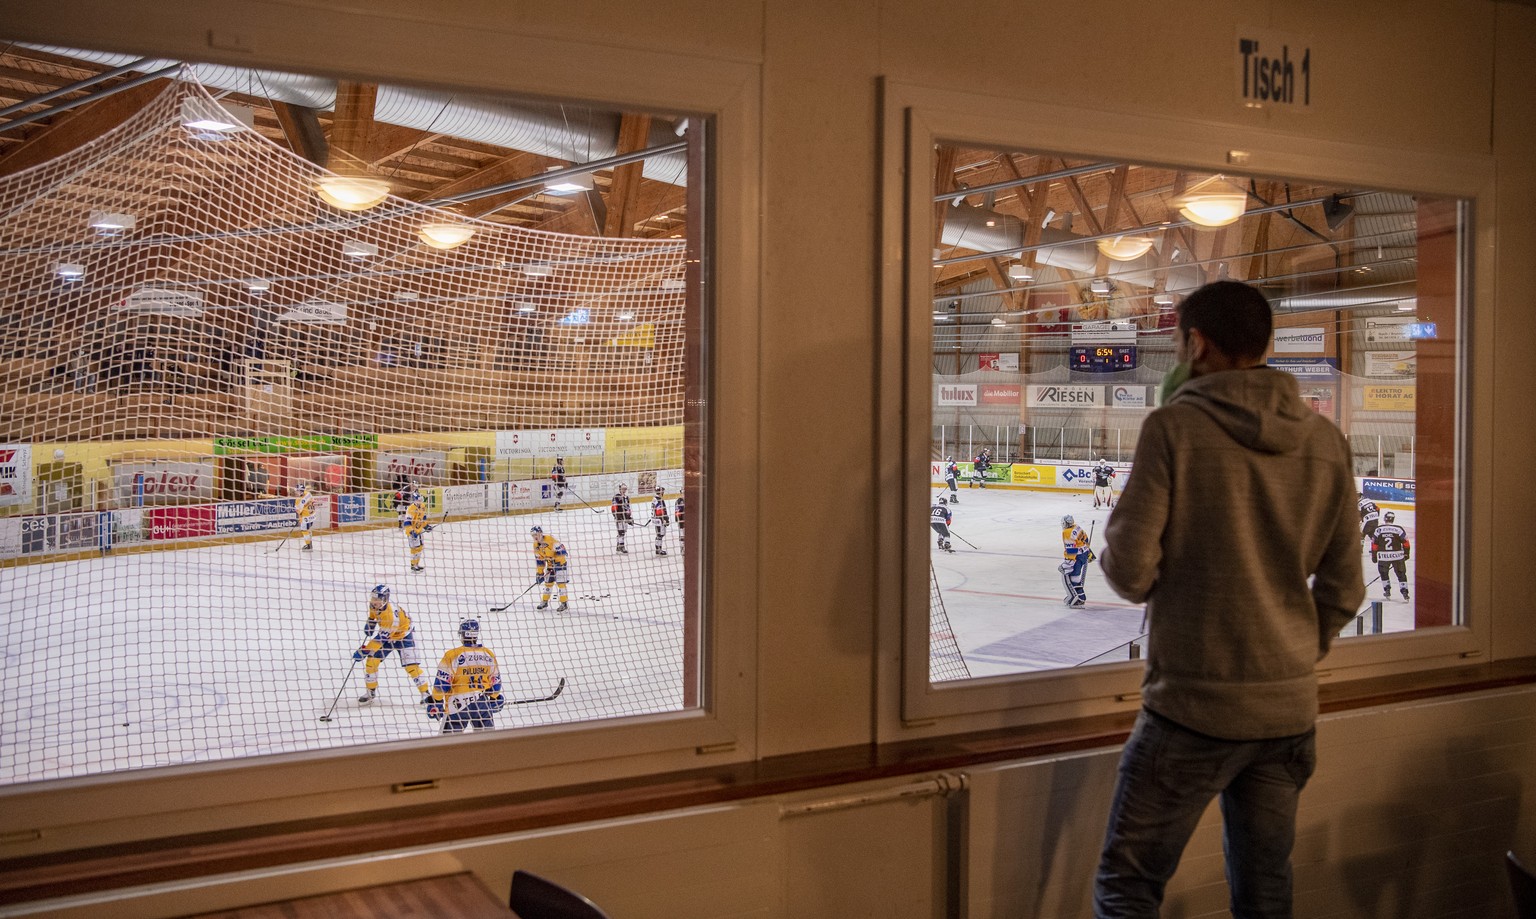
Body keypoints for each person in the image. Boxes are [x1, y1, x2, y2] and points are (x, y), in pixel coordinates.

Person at [1094, 280, 1364, 918]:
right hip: (1288, 712)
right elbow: (1346, 586)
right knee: (1265, 888)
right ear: (1266, 343)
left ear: (1197, 343)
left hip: (1193, 710)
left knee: (1128, 887)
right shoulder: (1327, 442)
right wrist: (1294, 647)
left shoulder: (1174, 428)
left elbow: (1130, 573)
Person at [353, 584, 432, 706]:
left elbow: (380, 639)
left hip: (404, 635)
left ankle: (425, 693)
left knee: (411, 666)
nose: (374, 602)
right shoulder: (374, 605)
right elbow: (373, 615)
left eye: (377, 599)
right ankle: (370, 692)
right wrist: (370, 622)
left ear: (385, 600)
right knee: (372, 661)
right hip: (388, 634)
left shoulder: (390, 616)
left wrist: (364, 651)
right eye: (373, 598)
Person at [426, 617, 503, 733]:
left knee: (448, 747)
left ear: (462, 635)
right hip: (482, 704)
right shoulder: (488, 654)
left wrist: (436, 702)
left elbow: (441, 684)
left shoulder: (453, 655)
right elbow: (496, 683)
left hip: (457, 705)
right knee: (488, 744)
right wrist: (494, 698)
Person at [1370, 511, 1411, 600]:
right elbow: (1406, 543)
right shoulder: (1399, 529)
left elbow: (1374, 544)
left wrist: (1374, 555)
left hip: (1383, 556)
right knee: (1401, 574)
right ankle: (1404, 591)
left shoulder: (1378, 530)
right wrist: (1407, 553)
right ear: (1393, 519)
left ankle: (1387, 590)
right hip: (1398, 556)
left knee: (1384, 573)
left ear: (1385, 519)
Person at [530, 525, 570, 612]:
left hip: (560, 565)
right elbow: (539, 560)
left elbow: (562, 551)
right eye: (533, 535)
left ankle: (564, 603)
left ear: (541, 533)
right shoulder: (535, 545)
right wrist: (539, 573)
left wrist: (557, 561)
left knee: (561, 584)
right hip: (550, 566)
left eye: (536, 534)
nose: (535, 537)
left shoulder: (550, 539)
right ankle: (544, 602)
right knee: (548, 583)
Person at [1059, 514, 1091, 608]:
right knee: (1075, 577)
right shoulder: (1077, 527)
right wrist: (1088, 551)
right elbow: (1086, 539)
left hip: (1077, 556)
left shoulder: (1067, 532)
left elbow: (1071, 549)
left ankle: (1080, 599)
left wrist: (1069, 563)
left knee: (1073, 578)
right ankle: (1075, 596)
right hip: (1083, 554)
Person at [404, 491, 432, 572]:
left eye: (420, 500)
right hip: (412, 533)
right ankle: (413, 565)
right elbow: (407, 522)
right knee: (414, 548)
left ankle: (417, 564)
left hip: (419, 531)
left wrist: (426, 526)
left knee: (420, 547)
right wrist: (411, 531)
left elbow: (423, 518)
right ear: (414, 500)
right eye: (418, 500)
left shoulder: (423, 506)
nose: (420, 502)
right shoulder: (410, 509)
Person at [611, 483, 633, 554]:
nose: (624, 490)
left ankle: (618, 547)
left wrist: (629, 517)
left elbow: (628, 508)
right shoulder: (616, 497)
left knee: (623, 532)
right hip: (619, 518)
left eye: (625, 489)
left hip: (625, 518)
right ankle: (621, 547)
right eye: (623, 489)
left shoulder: (626, 498)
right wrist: (617, 516)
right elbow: (614, 508)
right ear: (620, 489)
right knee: (621, 532)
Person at [293, 482, 316, 550]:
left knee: (304, 530)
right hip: (312, 515)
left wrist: (300, 519)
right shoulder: (308, 493)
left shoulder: (298, 500)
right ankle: (310, 543)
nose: (296, 492)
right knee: (308, 529)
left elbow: (298, 511)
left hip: (306, 517)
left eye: (297, 491)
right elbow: (312, 501)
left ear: (300, 491)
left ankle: (308, 545)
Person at [650, 486, 670, 556]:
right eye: (662, 491)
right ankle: (659, 549)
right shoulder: (658, 500)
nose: (663, 492)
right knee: (660, 534)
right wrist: (664, 519)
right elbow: (659, 511)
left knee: (659, 534)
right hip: (659, 519)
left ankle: (658, 549)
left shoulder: (654, 499)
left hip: (656, 519)